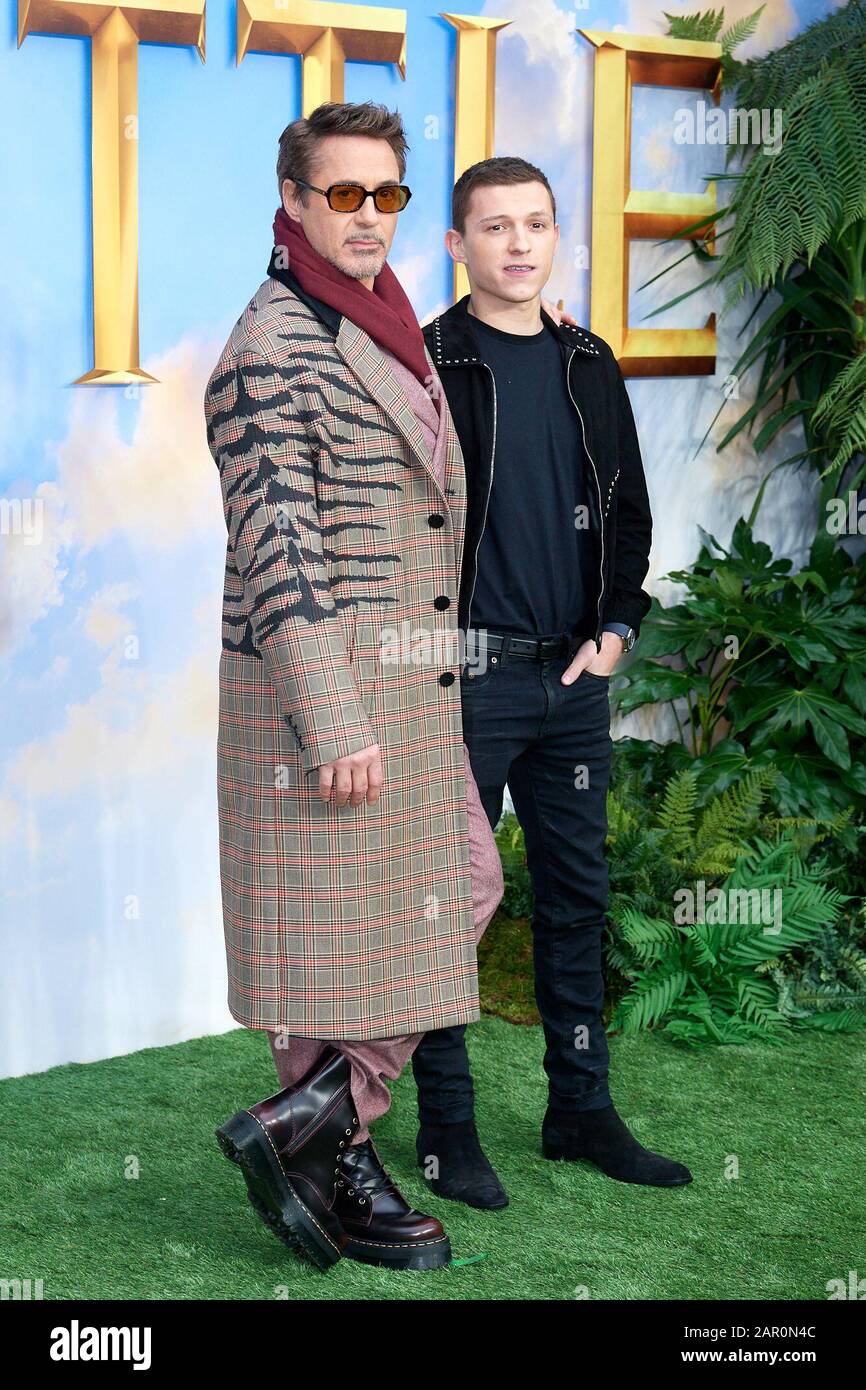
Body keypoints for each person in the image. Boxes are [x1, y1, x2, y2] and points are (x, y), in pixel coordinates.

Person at [203, 102, 506, 1272]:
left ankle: (311, 1127)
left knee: (453, 888)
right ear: (293, 203)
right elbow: (281, 547)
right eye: (344, 195)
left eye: (388, 195)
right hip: (324, 704)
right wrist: (331, 719)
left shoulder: (376, 325)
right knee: (329, 951)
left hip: (409, 695)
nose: (370, 216)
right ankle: (332, 1156)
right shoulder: (267, 351)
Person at [413, 156, 693, 1205]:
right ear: (457, 246)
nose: (517, 244)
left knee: (575, 902)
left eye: (534, 223)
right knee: (448, 909)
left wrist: (617, 627)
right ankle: (447, 1131)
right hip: (464, 681)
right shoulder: (427, 361)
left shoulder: (586, 360)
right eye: (494, 227)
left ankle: (578, 1110)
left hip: (569, 681)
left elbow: (625, 511)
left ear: (554, 236)